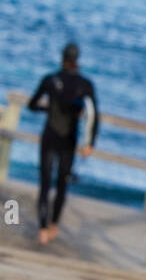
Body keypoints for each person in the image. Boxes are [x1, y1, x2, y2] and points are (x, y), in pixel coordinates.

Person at [27, 43, 99, 245]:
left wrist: (48, 109)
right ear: (78, 60)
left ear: (62, 58)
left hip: (49, 137)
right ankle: (53, 226)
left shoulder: (50, 80)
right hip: (69, 140)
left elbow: (32, 105)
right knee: (61, 184)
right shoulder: (85, 85)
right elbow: (93, 115)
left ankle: (41, 229)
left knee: (44, 183)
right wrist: (89, 143)